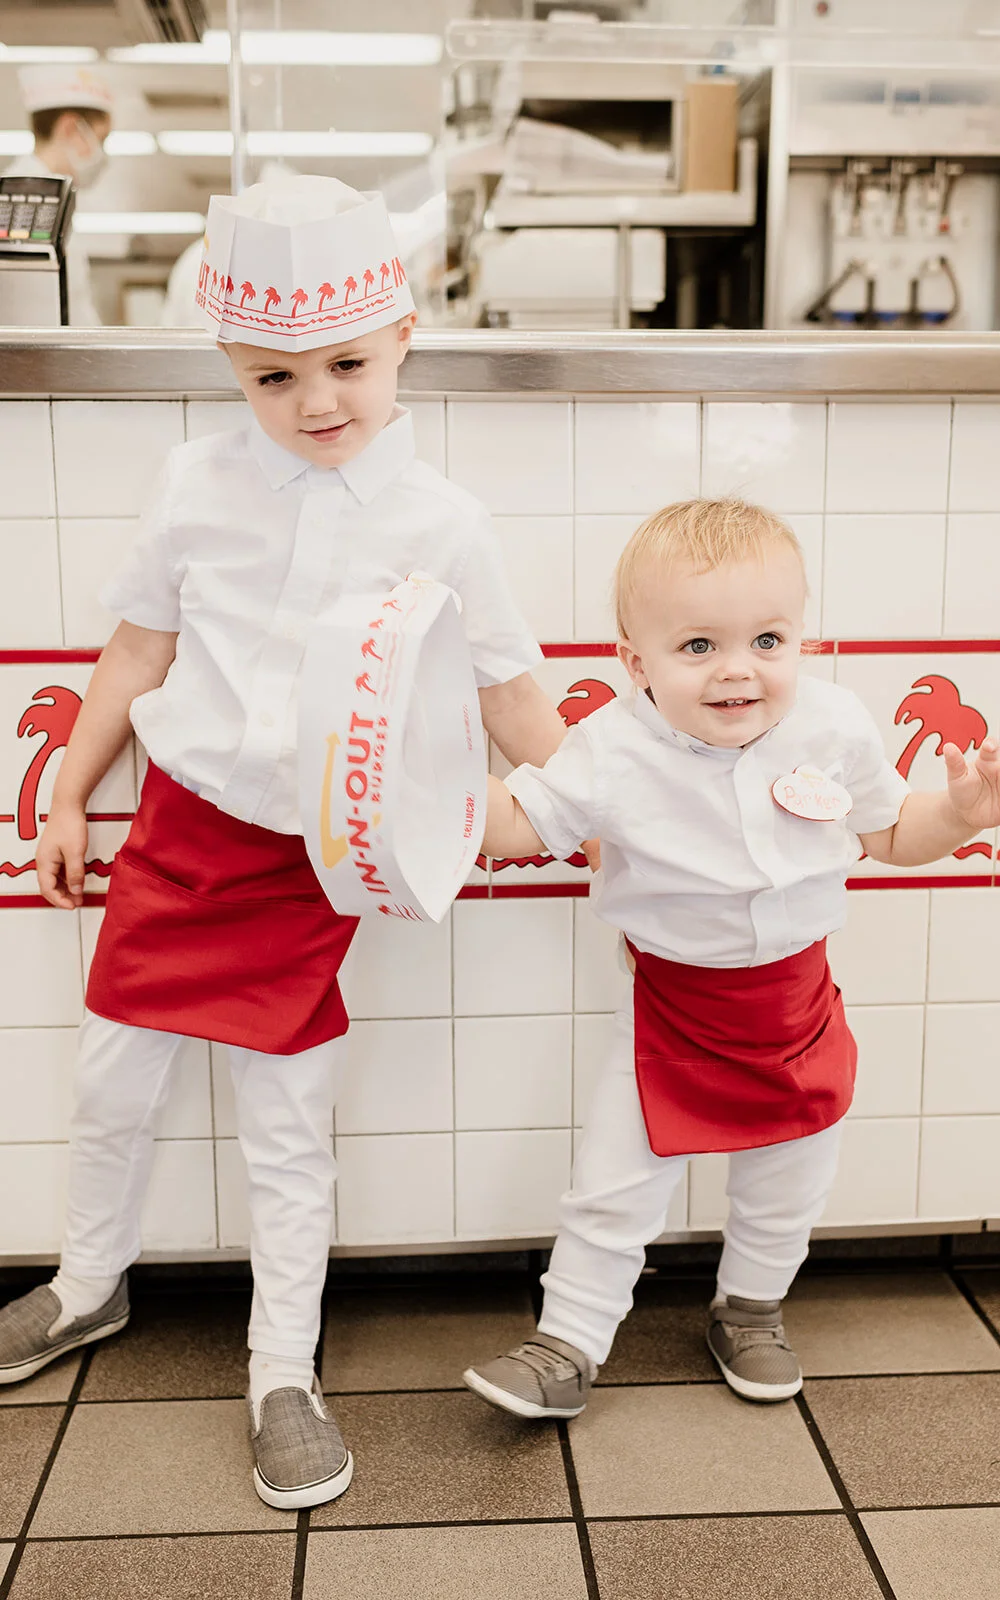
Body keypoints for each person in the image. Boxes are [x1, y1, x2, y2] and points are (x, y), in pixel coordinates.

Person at [0, 174, 566, 1511]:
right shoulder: (192, 483)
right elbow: (136, 648)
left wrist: (619, 793)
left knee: (284, 1122)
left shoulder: (448, 526)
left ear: (405, 335)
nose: (317, 401)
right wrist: (71, 793)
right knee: (113, 1083)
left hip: (314, 852)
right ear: (229, 366)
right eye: (274, 377)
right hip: (182, 834)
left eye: (347, 366)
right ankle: (86, 1291)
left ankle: (281, 1369)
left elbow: (508, 697)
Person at [464, 497, 1000, 1417]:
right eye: (698, 647)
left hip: (797, 1004)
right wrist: (446, 791)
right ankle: (569, 1341)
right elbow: (525, 822)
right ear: (636, 662)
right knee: (614, 1183)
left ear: (802, 639)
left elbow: (889, 835)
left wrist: (959, 815)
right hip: (671, 1010)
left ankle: (749, 1308)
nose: (737, 671)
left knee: (789, 1177)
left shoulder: (830, 725)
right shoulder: (612, 748)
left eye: (767, 640)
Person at [4, 66, 114, 325]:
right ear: (70, 128)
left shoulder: (59, 203)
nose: (103, 154)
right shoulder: (20, 204)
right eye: (101, 138)